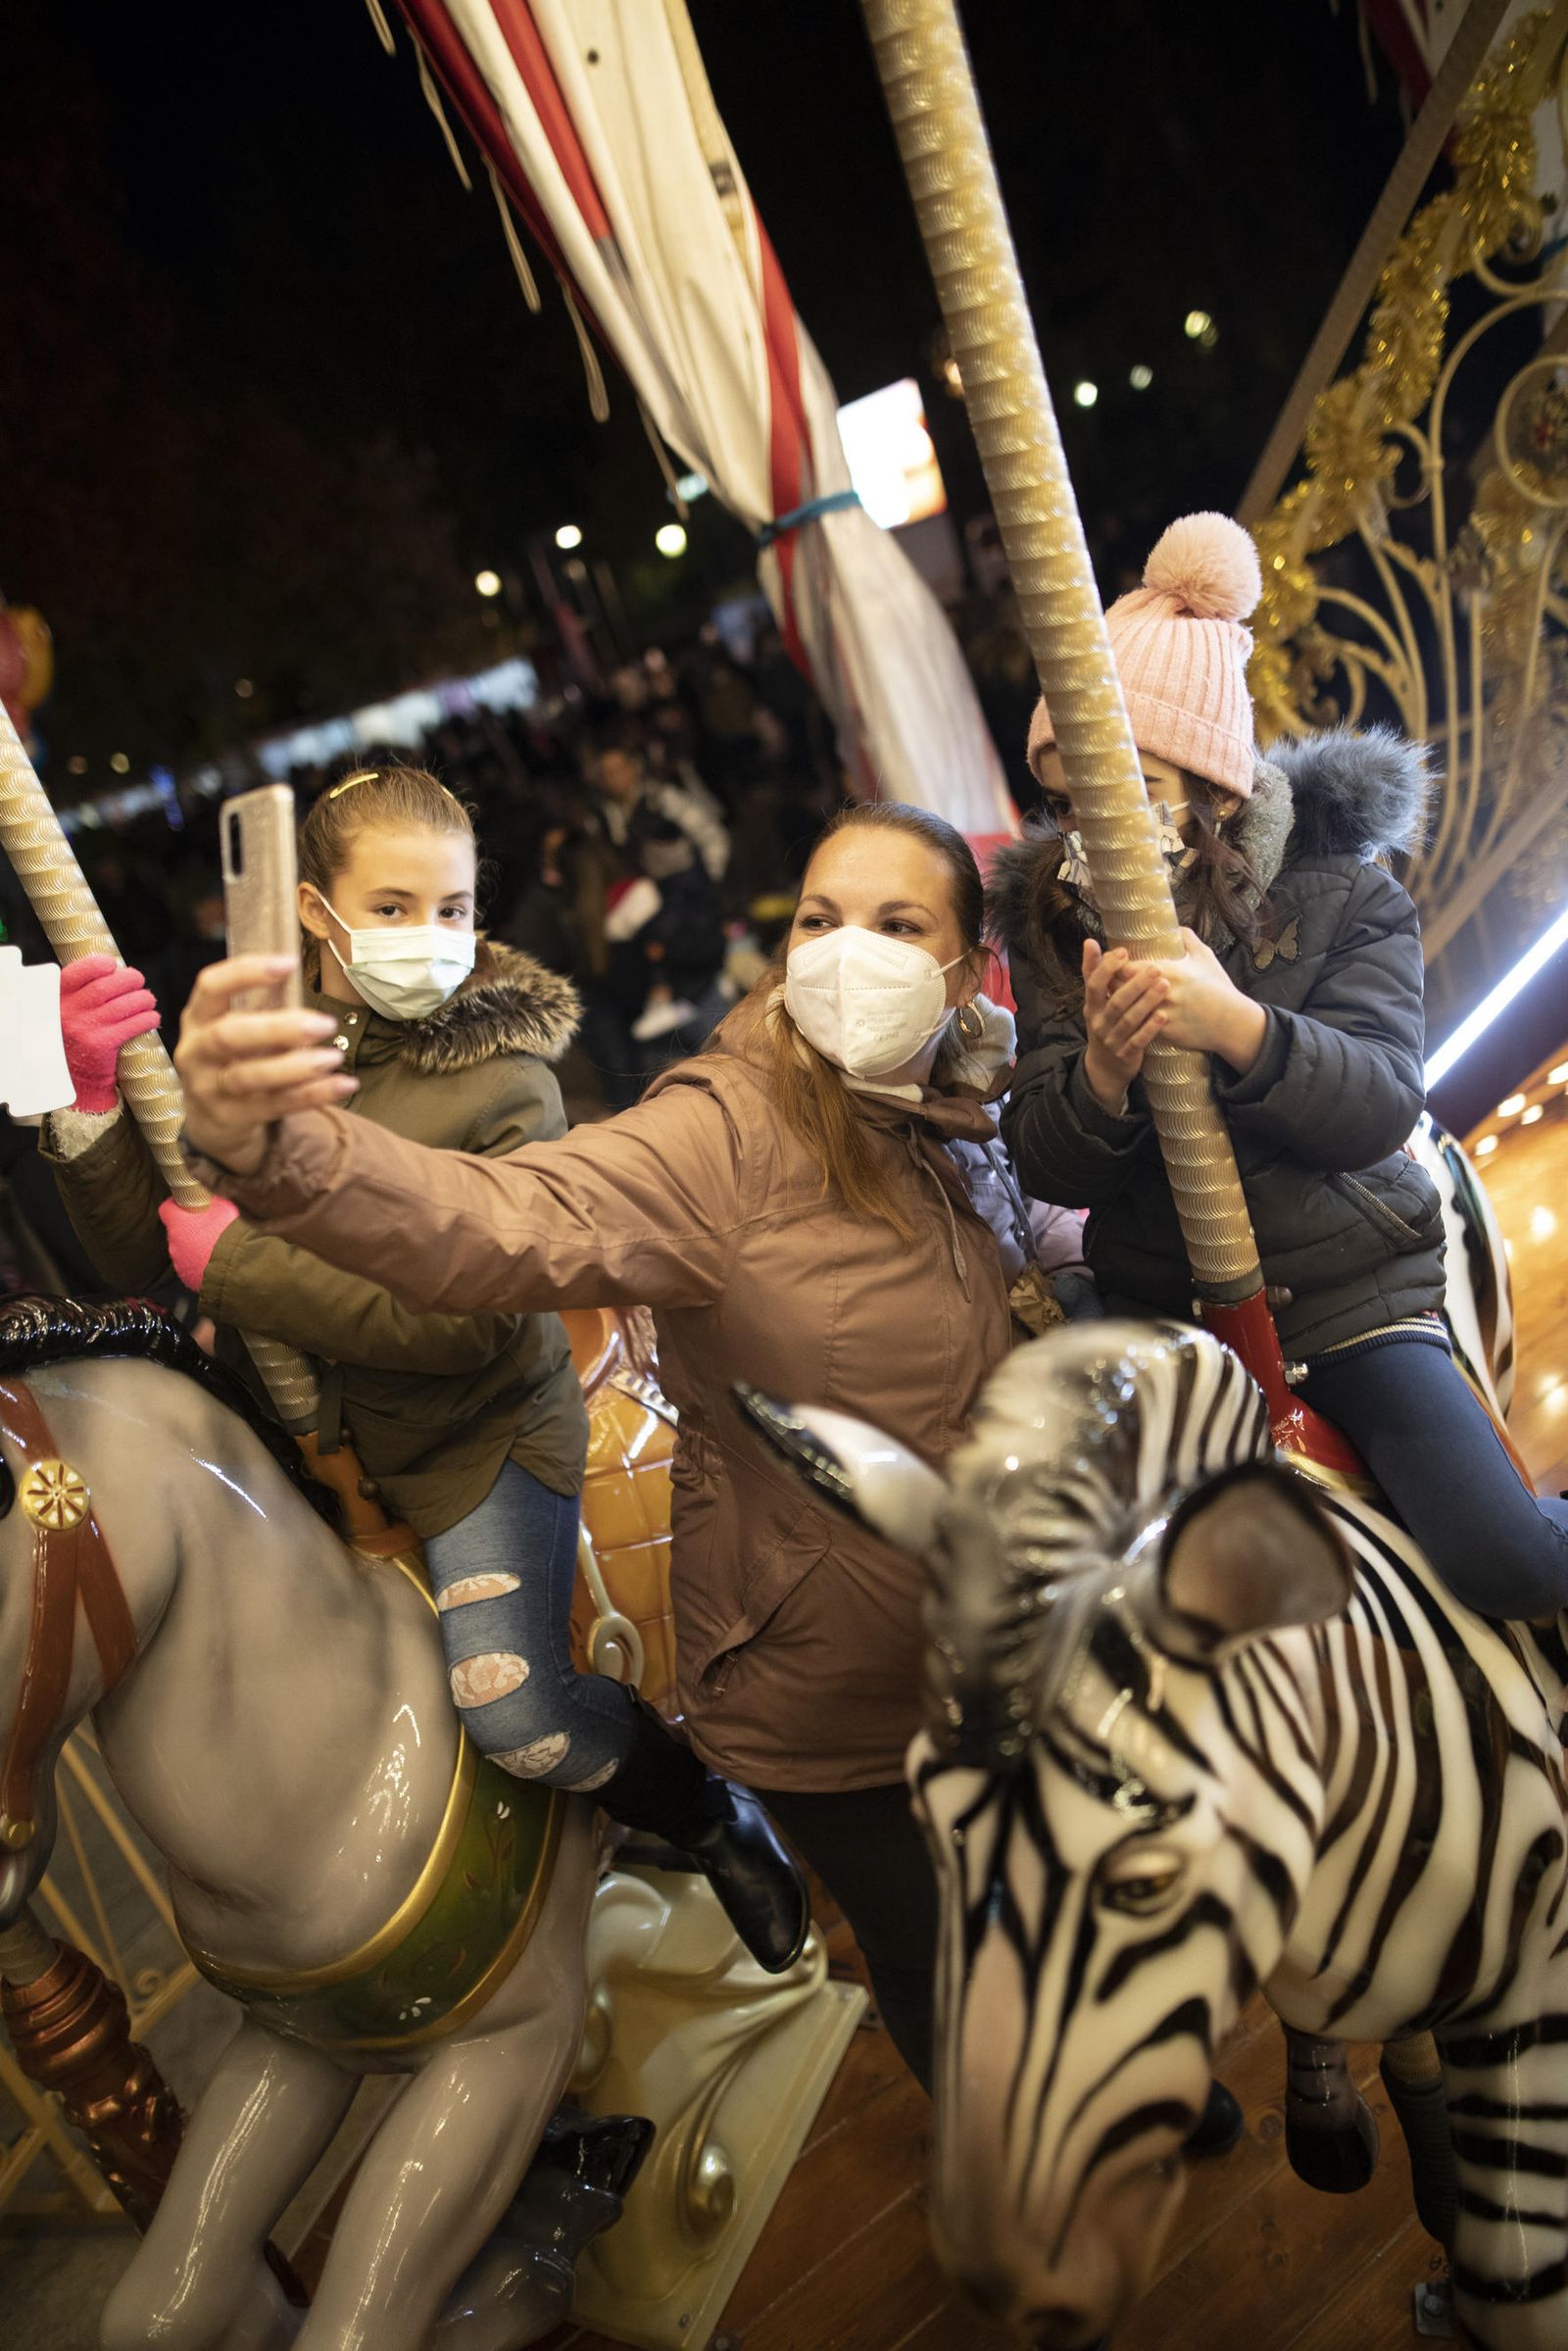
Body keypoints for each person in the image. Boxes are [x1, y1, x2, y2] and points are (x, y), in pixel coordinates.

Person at [171, 799, 1038, 2088]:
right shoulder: (722, 1129)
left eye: (897, 923)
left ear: (963, 968)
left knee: (1041, 1922)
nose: (848, 948)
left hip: (1003, 1627)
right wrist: (282, 1153)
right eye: (819, 916)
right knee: (948, 1976)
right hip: (840, 1668)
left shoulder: (960, 1099)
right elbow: (497, 1217)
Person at [44, 764, 806, 1972]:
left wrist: (236, 1268)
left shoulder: (503, 1084)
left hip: (473, 1436)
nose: (431, 937)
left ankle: (706, 1809)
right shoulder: (257, 1050)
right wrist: (87, 1103)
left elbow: (463, 1319)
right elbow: (151, 1249)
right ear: (315, 910)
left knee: (516, 1710)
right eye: (392, 907)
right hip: (299, 1446)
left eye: (451, 908)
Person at [991, 510, 1568, 1620]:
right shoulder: (1060, 929)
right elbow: (1044, 1153)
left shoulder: (1346, 897)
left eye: (1125, 795)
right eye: (1066, 806)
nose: (1087, 834)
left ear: (1209, 784)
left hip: (1344, 1298)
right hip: (1167, 1317)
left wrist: (1237, 1027)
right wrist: (1101, 1076)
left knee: (1505, 1561)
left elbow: (1377, 1104)